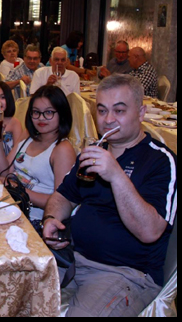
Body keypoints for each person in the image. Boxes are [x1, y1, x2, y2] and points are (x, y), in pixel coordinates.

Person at [43, 74, 176, 317]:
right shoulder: (95, 151)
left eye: (119, 110)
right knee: (14, 292)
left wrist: (116, 175)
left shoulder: (160, 161)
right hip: (72, 258)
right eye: (102, 111)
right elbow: (63, 195)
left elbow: (149, 232)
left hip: (125, 274)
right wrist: (52, 218)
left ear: (141, 112)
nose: (108, 120)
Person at [0, 85, 76, 221]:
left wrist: (18, 189)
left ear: (61, 114)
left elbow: (61, 203)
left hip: (33, 219)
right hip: (9, 204)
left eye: (48, 112)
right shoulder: (28, 136)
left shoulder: (62, 149)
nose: (41, 118)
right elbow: (3, 173)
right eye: (36, 112)